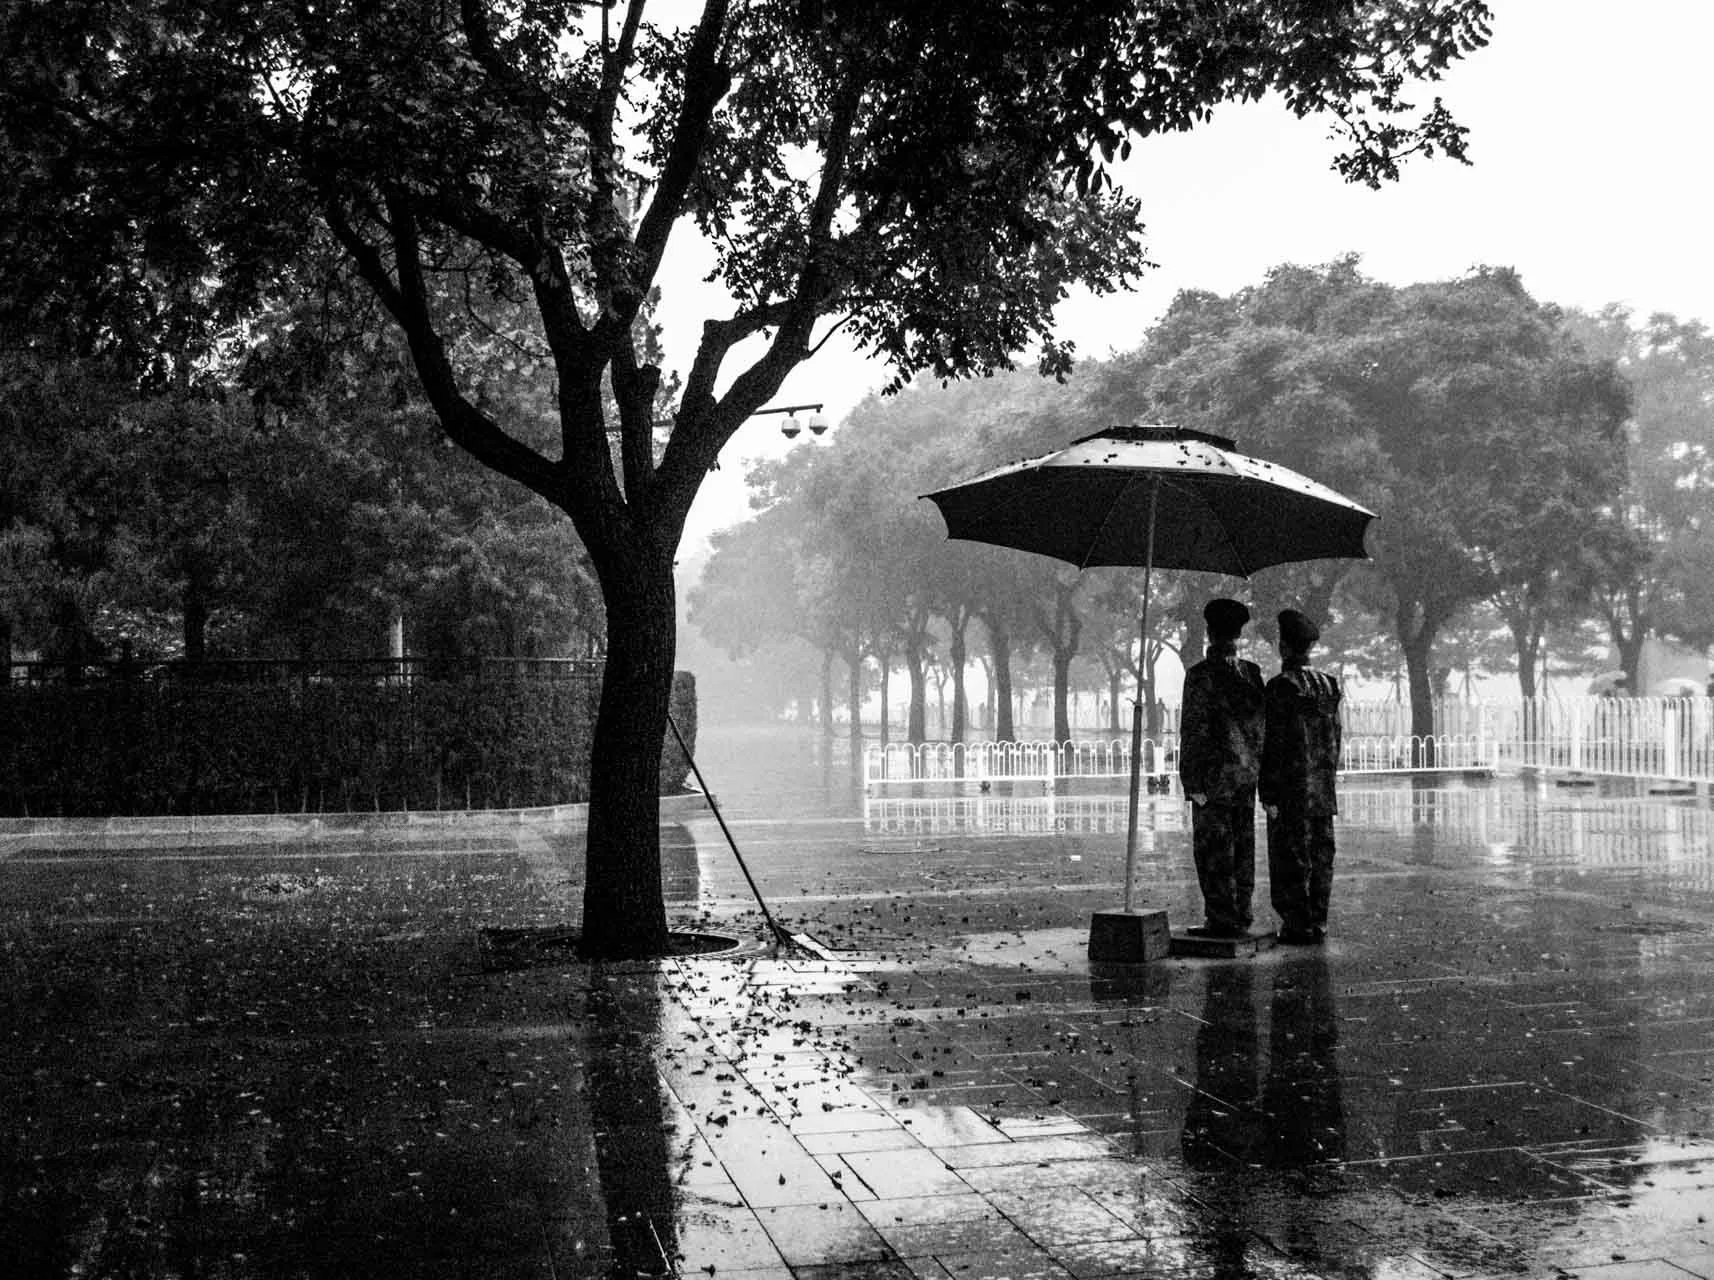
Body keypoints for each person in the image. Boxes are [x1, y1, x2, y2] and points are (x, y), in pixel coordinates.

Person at [1178, 597, 1265, 938]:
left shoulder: (1200, 675)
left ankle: (1220, 919)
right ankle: (1242, 913)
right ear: (1237, 634)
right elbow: (1261, 728)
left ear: (1209, 632)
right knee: (1243, 847)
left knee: (1213, 851)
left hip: (1212, 779)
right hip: (1245, 777)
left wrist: (1191, 782)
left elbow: (1193, 730)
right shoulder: (1252, 674)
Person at [1259, 609, 1343, 944]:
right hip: (1322, 790)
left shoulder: (1280, 687)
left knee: (1290, 860)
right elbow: (1336, 738)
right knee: (1321, 858)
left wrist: (1268, 792)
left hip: (1291, 791)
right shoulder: (1329, 685)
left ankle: (1297, 925)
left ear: (1284, 647)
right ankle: (1318, 921)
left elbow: (1272, 744)